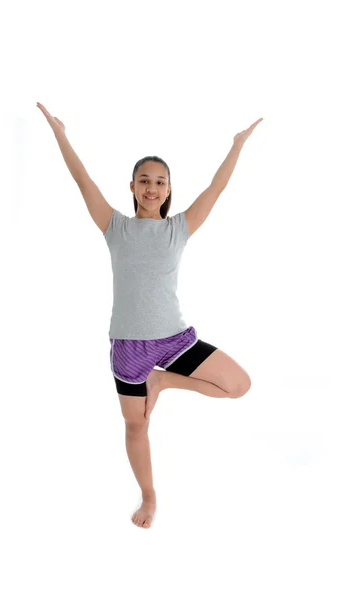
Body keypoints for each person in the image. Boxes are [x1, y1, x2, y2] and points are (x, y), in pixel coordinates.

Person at [36, 102, 259, 528]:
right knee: (136, 428)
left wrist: (236, 145)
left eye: (160, 181)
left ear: (169, 187)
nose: (152, 187)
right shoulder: (114, 226)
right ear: (133, 187)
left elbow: (216, 188)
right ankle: (149, 496)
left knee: (238, 385)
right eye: (144, 180)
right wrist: (60, 133)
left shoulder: (179, 227)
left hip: (175, 341)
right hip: (128, 348)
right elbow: (82, 179)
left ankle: (165, 380)